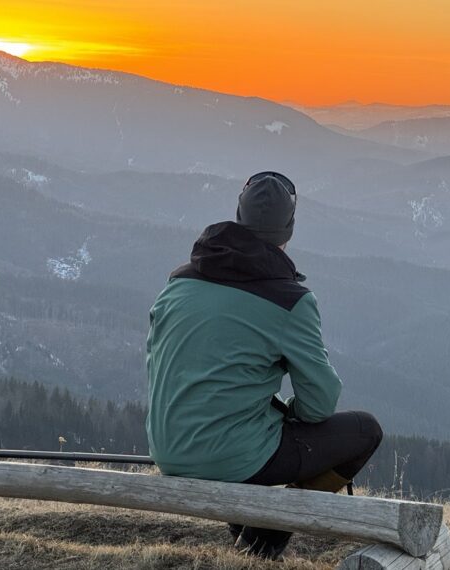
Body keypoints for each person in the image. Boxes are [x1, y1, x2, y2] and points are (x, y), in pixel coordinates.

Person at [145, 171, 384, 560]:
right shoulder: (289, 299)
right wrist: (290, 415)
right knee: (364, 430)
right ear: (289, 229)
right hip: (230, 457)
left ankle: (253, 533)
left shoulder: (179, 281)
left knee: (243, 437)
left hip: (167, 447)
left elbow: (160, 361)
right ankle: (265, 538)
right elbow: (320, 403)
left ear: (238, 216)